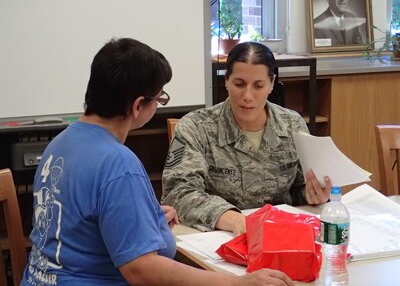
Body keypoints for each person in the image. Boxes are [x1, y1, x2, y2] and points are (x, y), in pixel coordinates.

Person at [21, 38, 294, 286]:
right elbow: (142, 270)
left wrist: (140, 217)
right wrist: (238, 283)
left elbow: (81, 225)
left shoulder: (60, 144)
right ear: (138, 105)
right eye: (159, 98)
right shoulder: (118, 164)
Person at [162, 41, 332, 236]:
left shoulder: (292, 124)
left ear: (272, 83)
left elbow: (298, 190)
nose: (248, 96)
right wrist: (231, 218)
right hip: (219, 238)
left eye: (258, 86)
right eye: (239, 84)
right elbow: (177, 193)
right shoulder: (196, 127)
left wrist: (313, 195)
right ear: (226, 81)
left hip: (280, 236)